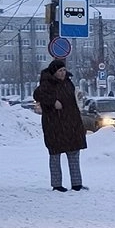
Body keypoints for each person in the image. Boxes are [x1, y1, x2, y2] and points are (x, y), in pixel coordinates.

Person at [33, 59, 87, 192]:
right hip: (54, 126)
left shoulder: (68, 83)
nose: (63, 73)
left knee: (74, 154)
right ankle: (57, 185)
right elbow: (37, 94)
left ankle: (77, 184)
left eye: (64, 70)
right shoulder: (47, 84)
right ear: (54, 72)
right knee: (55, 155)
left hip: (71, 123)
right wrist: (52, 102)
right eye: (59, 71)